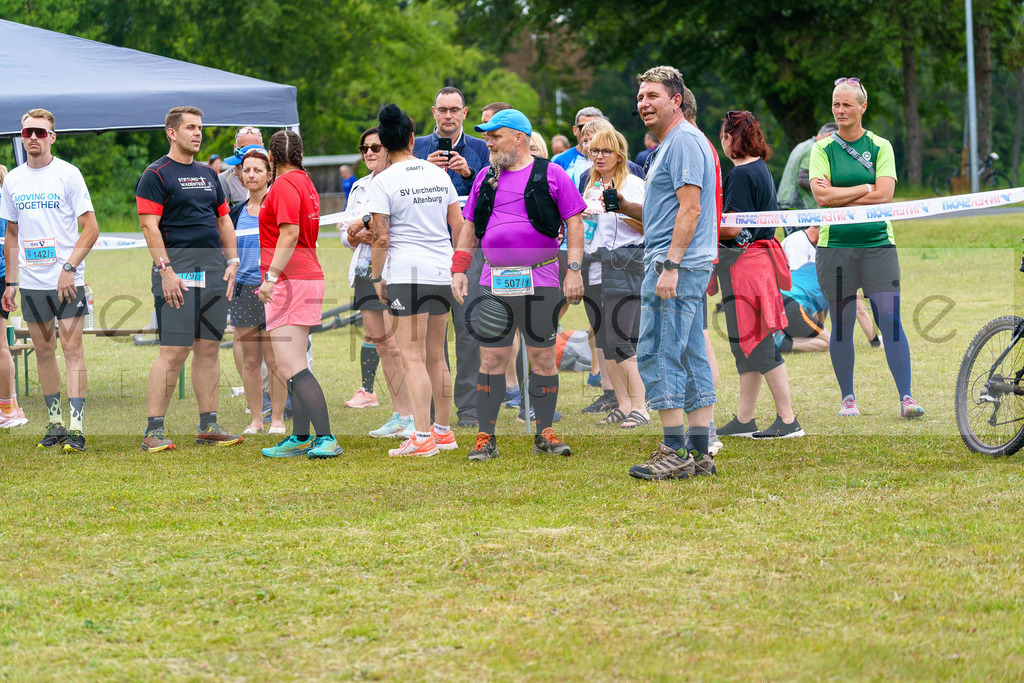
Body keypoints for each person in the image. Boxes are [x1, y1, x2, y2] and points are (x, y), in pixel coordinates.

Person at [453, 108, 586, 461]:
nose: (488, 142)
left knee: (542, 356)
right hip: (494, 281)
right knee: (492, 357)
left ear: (519, 138)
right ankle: (486, 436)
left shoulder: (552, 173)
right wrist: (458, 269)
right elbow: (469, 228)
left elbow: (574, 224)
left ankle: (545, 432)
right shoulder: (485, 177)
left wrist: (573, 271)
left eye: (495, 136)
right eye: (487, 136)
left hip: (541, 279)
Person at [810, 77, 924, 419]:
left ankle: (906, 398)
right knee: (842, 325)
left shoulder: (880, 146)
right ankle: (848, 399)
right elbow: (821, 197)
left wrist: (842, 195)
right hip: (835, 248)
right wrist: (864, 186)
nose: (840, 110)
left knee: (889, 320)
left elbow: (885, 195)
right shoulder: (822, 148)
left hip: (878, 245)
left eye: (847, 104)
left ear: (862, 107)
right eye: (835, 104)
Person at [627, 66, 718, 481]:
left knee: (659, 350)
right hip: (682, 262)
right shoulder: (675, 142)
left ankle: (673, 451)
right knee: (688, 353)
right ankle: (699, 452)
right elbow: (663, 211)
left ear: (676, 100)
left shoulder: (682, 141)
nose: (644, 103)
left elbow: (691, 208)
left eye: (653, 96)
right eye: (641, 96)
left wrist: (670, 265)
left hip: (675, 265)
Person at [136, 106, 242, 453]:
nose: (198, 133)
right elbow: (149, 226)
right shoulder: (156, 174)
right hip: (176, 275)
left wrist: (233, 261)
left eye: (200, 128)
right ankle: (153, 430)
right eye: (191, 128)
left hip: (214, 273)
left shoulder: (209, 175)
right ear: (172, 132)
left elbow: (224, 221)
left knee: (209, 350)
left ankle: (208, 425)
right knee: (174, 351)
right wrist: (165, 270)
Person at [1, 109, 98, 452]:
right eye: (27, 132)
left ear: (52, 137)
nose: (33, 138)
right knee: (44, 351)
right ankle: (55, 422)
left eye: (40, 133)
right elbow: (11, 234)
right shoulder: (13, 179)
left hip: (66, 281)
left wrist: (69, 267)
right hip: (30, 282)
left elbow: (91, 228)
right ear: (21, 136)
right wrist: (11, 282)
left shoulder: (68, 175)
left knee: (72, 350)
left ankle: (77, 426)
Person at [368, 104, 461, 457]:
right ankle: (443, 431)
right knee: (437, 355)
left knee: (413, 357)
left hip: (406, 275)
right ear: (411, 138)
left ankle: (422, 436)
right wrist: (456, 264)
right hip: (440, 270)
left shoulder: (384, 180)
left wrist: (377, 276)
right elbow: (458, 223)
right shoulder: (438, 174)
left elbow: (380, 238)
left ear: (385, 144)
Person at [713, 110, 803, 440]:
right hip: (754, 264)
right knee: (744, 345)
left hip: (746, 268)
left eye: (724, 133)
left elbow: (733, 228)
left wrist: (703, 228)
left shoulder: (739, 175)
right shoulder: (760, 169)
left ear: (729, 137)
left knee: (761, 345)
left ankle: (789, 420)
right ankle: (745, 419)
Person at [257, 130, 343, 459]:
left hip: (290, 280)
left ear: (271, 155)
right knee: (293, 361)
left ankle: (326, 437)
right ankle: (301, 436)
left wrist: (271, 277)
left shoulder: (282, 185)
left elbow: (290, 232)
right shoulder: (306, 182)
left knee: (290, 364)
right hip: (306, 276)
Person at [413, 86, 491, 428]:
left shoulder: (480, 148)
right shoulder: (415, 151)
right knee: (430, 333)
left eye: (453, 110)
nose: (447, 116)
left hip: (467, 249)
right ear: (433, 112)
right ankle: (431, 405)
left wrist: (469, 175)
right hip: (426, 248)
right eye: (442, 109)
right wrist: (424, 172)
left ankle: (468, 407)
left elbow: (495, 196)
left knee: (469, 327)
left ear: (465, 113)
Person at [340, 127, 416, 440]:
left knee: (400, 347)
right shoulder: (359, 187)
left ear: (389, 148)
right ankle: (399, 414)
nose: (370, 153)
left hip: (394, 272)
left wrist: (369, 230)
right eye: (365, 148)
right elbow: (346, 234)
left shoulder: (402, 181)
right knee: (381, 342)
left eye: (376, 147)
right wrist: (356, 233)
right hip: (363, 270)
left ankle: (415, 415)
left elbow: (400, 228)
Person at [578, 127, 648, 429]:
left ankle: (641, 407)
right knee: (605, 342)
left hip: (625, 266)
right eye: (594, 151)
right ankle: (622, 404)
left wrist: (620, 210)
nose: (599, 156)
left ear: (620, 155)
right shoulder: (590, 188)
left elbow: (651, 225)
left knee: (622, 340)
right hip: (595, 269)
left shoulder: (634, 184)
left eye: (605, 151)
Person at [228, 147, 286, 435]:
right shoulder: (234, 213)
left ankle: (277, 420)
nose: (251, 174)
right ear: (240, 175)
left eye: (257, 170)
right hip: (243, 291)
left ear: (269, 175)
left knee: (275, 358)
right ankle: (255, 420)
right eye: (246, 170)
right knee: (250, 360)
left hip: (274, 290)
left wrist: (273, 279)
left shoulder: (277, 209)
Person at [0, 164, 28, 430]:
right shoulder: (6, 201)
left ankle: (8, 409)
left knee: (0, 347)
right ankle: (12, 405)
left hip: (2, 277)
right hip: (5, 277)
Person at [776, 122, 839, 237]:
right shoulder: (813, 148)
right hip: (798, 205)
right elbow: (803, 178)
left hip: (789, 203)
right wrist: (827, 188)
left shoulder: (804, 145)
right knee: (800, 246)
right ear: (829, 136)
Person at [552, 106, 606, 185]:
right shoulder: (560, 161)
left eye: (595, 128)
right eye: (583, 127)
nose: (588, 132)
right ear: (575, 130)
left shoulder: (613, 161)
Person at [219, 126, 264, 205]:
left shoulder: (272, 175)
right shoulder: (224, 179)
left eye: (254, 148)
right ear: (235, 148)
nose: (249, 153)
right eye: (243, 148)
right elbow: (220, 215)